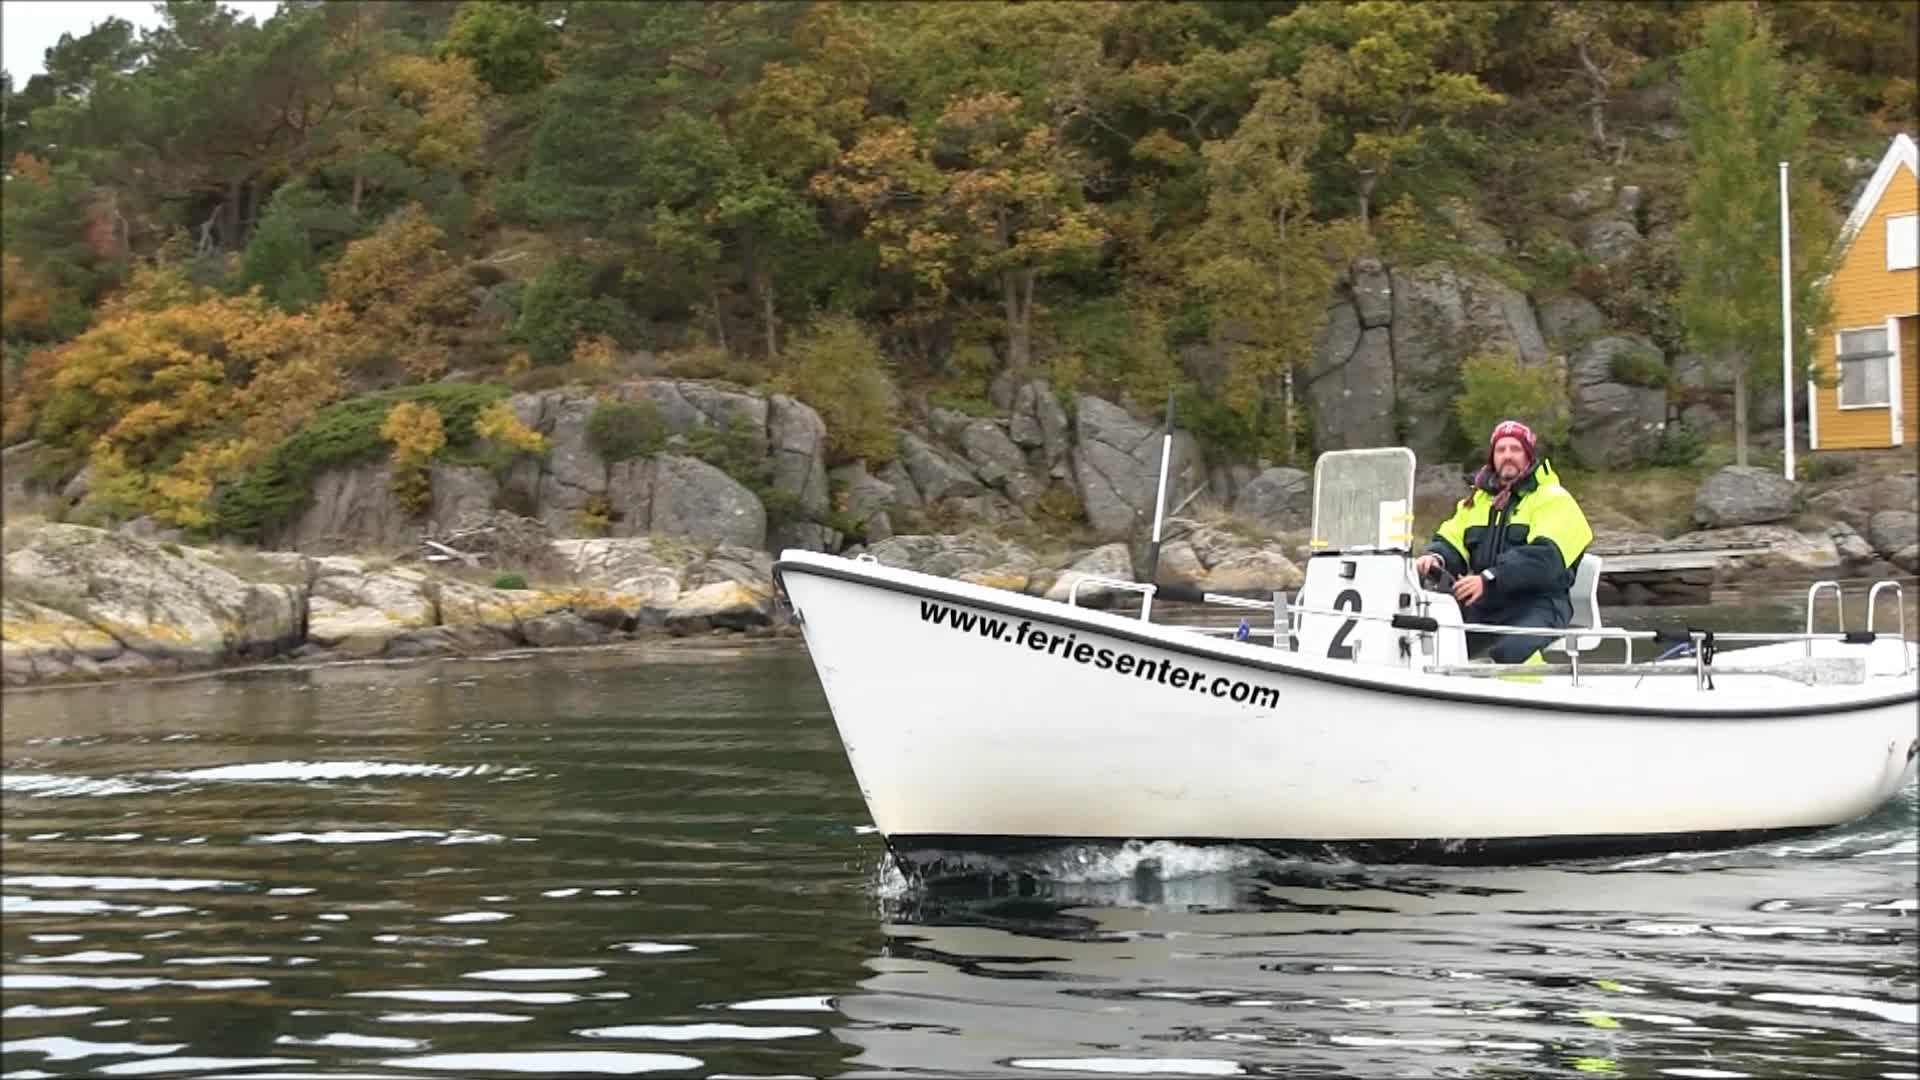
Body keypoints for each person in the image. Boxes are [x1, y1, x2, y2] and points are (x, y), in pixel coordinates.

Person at [1411, 419, 1594, 664]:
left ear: (1529, 456)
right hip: (1487, 602)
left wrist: (1490, 578)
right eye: (1501, 449)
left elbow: (1545, 561)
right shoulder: (1477, 501)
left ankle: (1529, 700)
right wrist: (1435, 557)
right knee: (1431, 637)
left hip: (1541, 603)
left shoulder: (1554, 499)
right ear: (1492, 457)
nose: (1507, 455)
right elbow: (1452, 539)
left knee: (1511, 652)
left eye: (1515, 449)